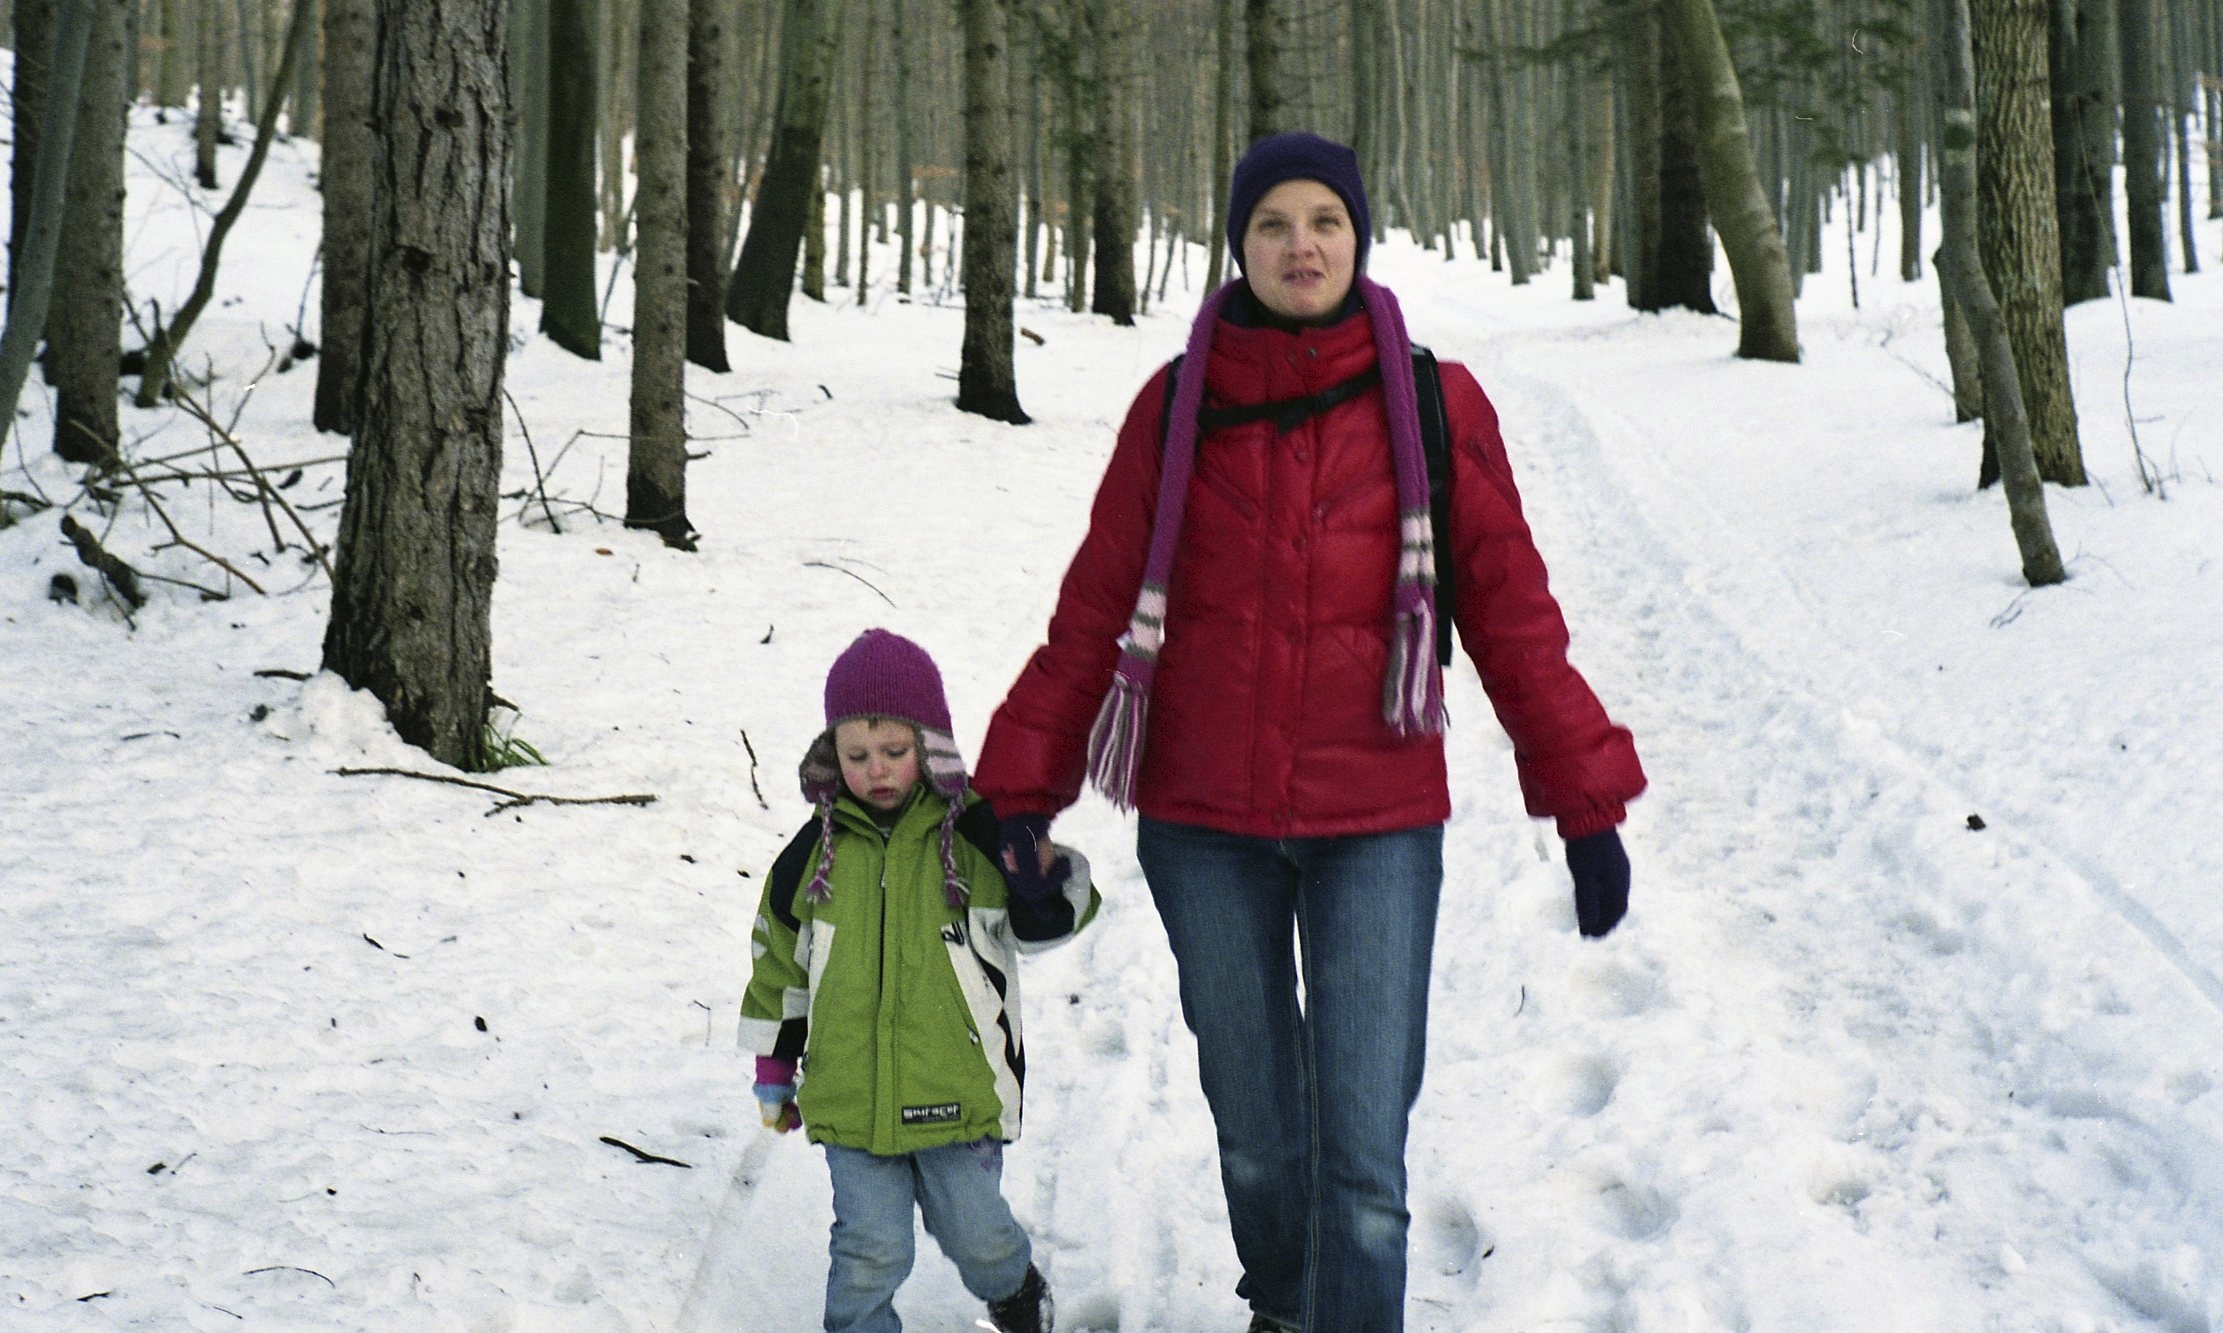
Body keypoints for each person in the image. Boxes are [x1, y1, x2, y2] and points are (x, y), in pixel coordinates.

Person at [973, 132, 1647, 1332]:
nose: (1301, 245)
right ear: (1238, 244)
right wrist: (1019, 792)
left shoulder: (1434, 404)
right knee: (1258, 1131)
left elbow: (1513, 616)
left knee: (1364, 1153)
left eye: (1324, 222)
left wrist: (1585, 803)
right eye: (1273, 223)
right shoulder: (1177, 404)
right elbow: (1094, 613)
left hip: (1377, 821)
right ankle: (1287, 1306)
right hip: (1202, 824)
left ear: (1358, 239)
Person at [741, 628, 1100, 1333]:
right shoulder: (810, 859)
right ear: (831, 754)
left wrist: (1040, 878)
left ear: (930, 747)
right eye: (856, 755)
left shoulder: (975, 838)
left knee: (975, 1234)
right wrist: (774, 1067)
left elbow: (1048, 924)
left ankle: (1014, 1288)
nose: (875, 769)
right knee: (869, 1249)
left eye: (894, 751)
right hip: (850, 1095)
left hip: (957, 1089)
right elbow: (779, 967)